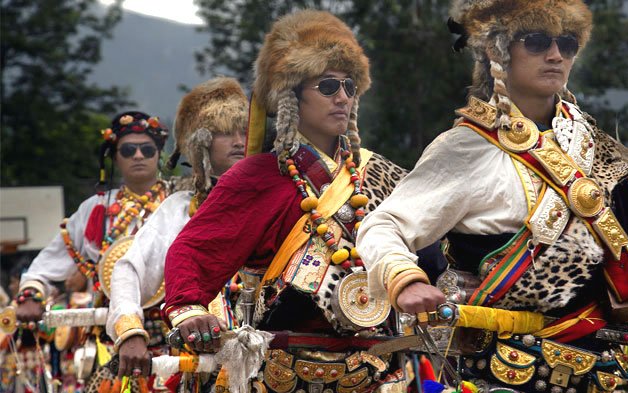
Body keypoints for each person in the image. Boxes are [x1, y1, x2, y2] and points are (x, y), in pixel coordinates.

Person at [356, 0, 628, 391]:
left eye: (566, 43)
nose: (555, 55)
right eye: (536, 41)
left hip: (604, 371)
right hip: (504, 370)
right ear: (497, 50)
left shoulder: (594, 145)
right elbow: (382, 225)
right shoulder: (464, 148)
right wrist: (405, 280)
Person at [162, 10, 446, 393]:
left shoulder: (385, 173)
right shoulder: (255, 178)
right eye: (328, 87)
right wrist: (188, 309)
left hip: (383, 370)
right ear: (291, 96)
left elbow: (438, 250)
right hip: (288, 373)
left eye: (349, 86)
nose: (343, 97)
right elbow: (194, 250)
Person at [105, 77, 248, 385]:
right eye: (225, 132)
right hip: (203, 367)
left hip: (275, 365)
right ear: (201, 144)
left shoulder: (280, 197)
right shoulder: (179, 209)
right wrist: (130, 331)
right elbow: (129, 269)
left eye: (245, 132)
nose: (239, 141)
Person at [15, 111, 169, 390]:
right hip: (108, 338)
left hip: (172, 336)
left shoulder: (180, 206)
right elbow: (47, 265)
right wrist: (32, 292)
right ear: (113, 157)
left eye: (147, 149)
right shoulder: (92, 210)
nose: (138, 156)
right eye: (128, 149)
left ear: (158, 154)